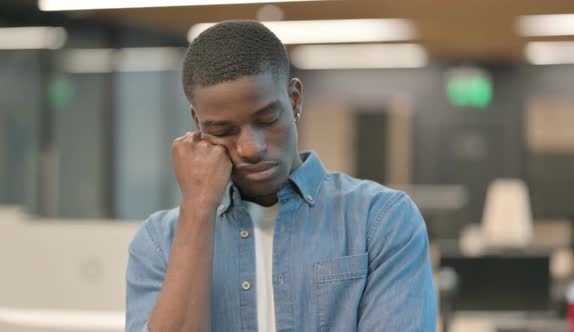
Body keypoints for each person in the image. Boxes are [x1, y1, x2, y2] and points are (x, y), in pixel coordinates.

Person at [126, 20, 437, 332]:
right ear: (199, 124)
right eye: (223, 131)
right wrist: (196, 210)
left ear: (294, 98)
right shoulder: (159, 242)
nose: (250, 148)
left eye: (267, 119)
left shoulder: (381, 220)